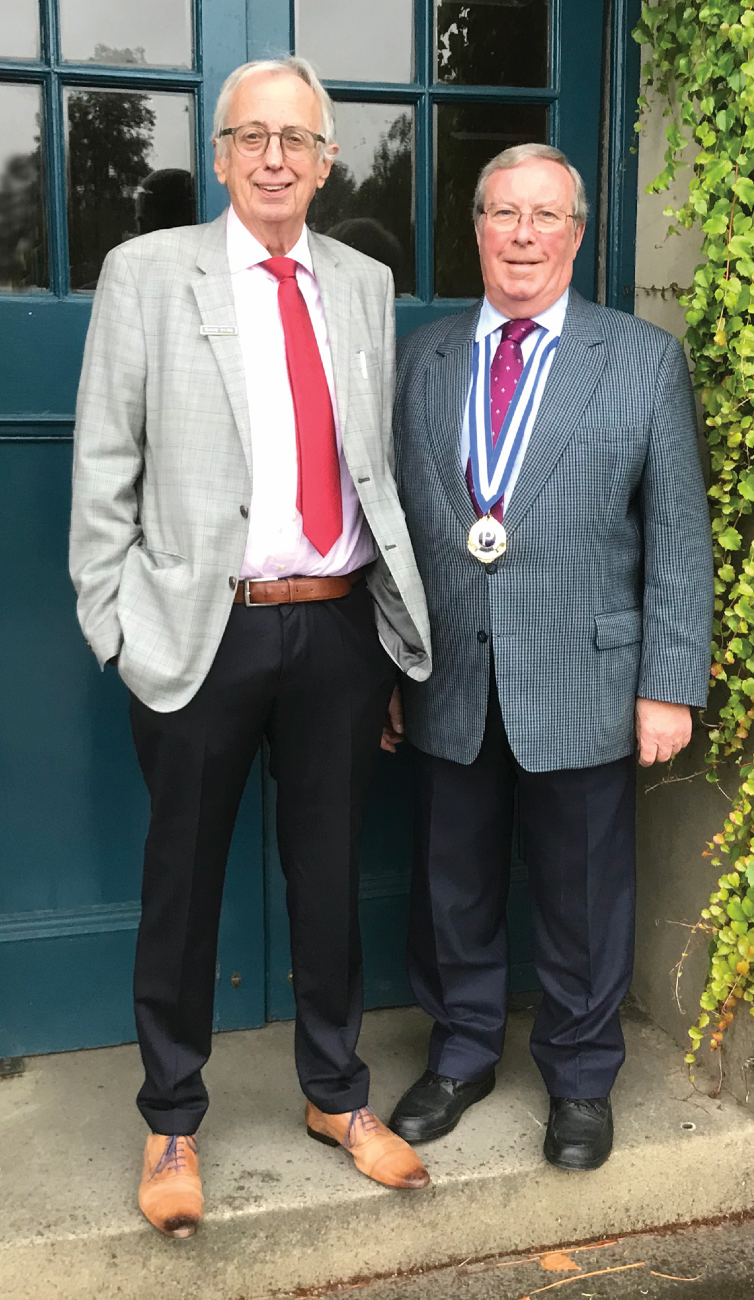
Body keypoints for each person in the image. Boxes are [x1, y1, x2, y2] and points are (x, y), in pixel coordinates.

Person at [70, 56, 433, 1239]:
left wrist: (381, 629)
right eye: (252, 136)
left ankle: (337, 1095)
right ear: (221, 154)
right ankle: (172, 1114)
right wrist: (115, 623)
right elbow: (103, 471)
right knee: (180, 883)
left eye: (298, 139)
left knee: (326, 874)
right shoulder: (147, 274)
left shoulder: (364, 283)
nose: (275, 157)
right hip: (199, 626)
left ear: (327, 162)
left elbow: (372, 462)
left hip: (332, 623)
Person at [386, 143, 713, 1172]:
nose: (523, 235)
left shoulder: (640, 359)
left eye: (545, 216)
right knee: (452, 886)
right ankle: (463, 1051)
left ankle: (578, 1075)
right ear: (476, 228)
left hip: (585, 675)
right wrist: (390, 670)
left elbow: (679, 537)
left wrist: (668, 681)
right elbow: (389, 527)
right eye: (503, 214)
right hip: (446, 677)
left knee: (582, 890)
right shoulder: (422, 360)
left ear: (575, 234)